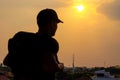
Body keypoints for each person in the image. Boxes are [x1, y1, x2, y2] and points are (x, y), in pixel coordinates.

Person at [3, 8, 64, 80]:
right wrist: (61, 66)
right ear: (51, 23)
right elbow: (51, 67)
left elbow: (6, 61)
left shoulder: (20, 37)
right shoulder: (49, 42)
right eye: (56, 23)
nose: (56, 27)